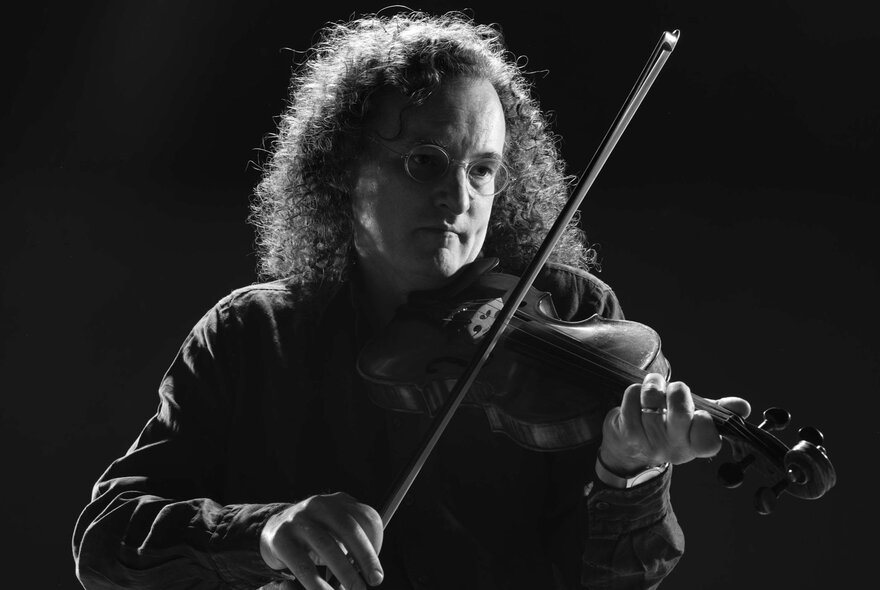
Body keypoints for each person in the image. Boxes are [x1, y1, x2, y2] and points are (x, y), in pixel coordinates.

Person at [72, 11, 749, 590]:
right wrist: (263, 532)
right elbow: (106, 540)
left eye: (482, 170)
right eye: (424, 162)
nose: (460, 200)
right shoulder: (251, 334)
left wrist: (626, 473)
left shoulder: (567, 309)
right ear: (343, 173)